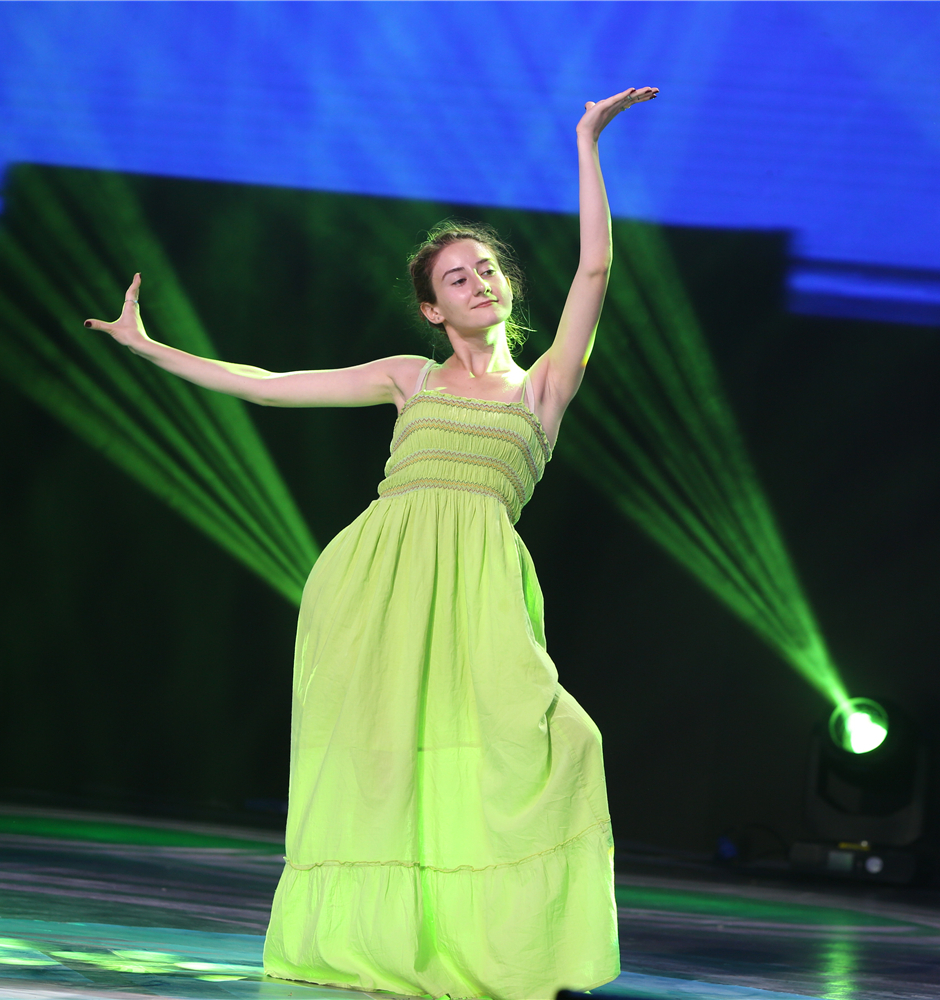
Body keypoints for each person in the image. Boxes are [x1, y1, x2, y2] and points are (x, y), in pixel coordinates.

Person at [84, 86, 659, 999]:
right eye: (457, 278)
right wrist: (150, 349)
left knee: (554, 743)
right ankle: (376, 939)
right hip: (375, 582)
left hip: (480, 588)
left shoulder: (543, 388)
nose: (480, 282)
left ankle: (503, 946)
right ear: (432, 311)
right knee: (384, 766)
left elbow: (593, 271)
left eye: (487, 268)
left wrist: (587, 141)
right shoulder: (410, 377)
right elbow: (269, 384)